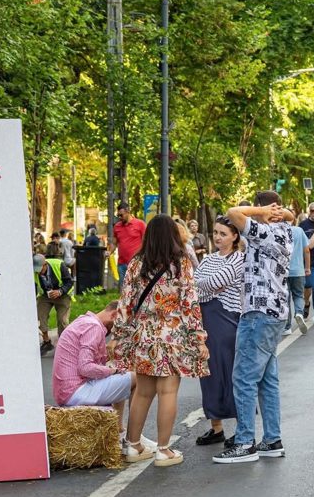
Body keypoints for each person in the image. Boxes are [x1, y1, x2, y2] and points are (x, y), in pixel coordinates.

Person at [110, 214, 209, 468]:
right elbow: (189, 306)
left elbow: (125, 305)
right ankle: (163, 450)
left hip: (143, 335)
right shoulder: (181, 264)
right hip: (172, 334)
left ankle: (133, 446)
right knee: (168, 392)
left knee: (142, 393)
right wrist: (199, 338)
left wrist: (118, 337)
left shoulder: (135, 264)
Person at [214, 192, 294, 464]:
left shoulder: (263, 231)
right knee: (267, 380)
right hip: (276, 311)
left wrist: (258, 211)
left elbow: (233, 212)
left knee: (244, 378)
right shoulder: (286, 230)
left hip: (257, 312)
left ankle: (245, 442)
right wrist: (280, 213)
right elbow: (292, 216)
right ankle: (272, 439)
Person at [50, 301, 151, 452]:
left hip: (66, 391)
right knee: (138, 378)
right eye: (121, 323)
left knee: (122, 376)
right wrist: (112, 370)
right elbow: (85, 368)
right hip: (76, 391)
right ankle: (133, 439)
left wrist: (114, 369)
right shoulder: (94, 327)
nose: (119, 330)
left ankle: (119, 431)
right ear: (114, 315)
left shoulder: (84, 321)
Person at [194, 216, 244, 445]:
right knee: (208, 373)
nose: (217, 237)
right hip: (206, 318)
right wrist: (208, 286)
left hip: (227, 320)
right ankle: (216, 428)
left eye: (223, 233)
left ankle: (242, 429)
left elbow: (212, 282)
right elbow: (196, 283)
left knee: (230, 374)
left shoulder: (239, 259)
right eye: (215, 232)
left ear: (235, 236)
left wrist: (207, 285)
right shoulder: (208, 259)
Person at [36, 250, 73, 354]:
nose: (38, 272)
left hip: (63, 295)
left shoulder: (59, 265)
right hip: (45, 295)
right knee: (40, 316)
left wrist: (60, 291)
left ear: (45, 264)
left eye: (40, 269)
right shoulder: (35, 271)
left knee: (62, 320)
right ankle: (46, 342)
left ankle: (63, 344)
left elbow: (69, 282)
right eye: (36, 270)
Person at [284, 219, 310, 336]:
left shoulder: (279, 231)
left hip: (283, 271)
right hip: (298, 270)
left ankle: (287, 327)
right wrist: (307, 267)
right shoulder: (299, 231)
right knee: (298, 295)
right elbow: (307, 250)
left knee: (285, 298)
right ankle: (299, 313)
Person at [300, 201, 314, 319]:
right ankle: (307, 303)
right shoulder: (303, 225)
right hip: (307, 260)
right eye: (312, 210)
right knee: (308, 286)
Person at [112, 203, 146, 275]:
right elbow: (114, 244)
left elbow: (146, 243)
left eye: (121, 215)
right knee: (122, 286)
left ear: (128, 211)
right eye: (118, 215)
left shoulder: (140, 224)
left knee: (136, 285)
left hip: (136, 263)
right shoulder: (117, 226)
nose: (120, 217)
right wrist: (109, 252)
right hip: (122, 264)